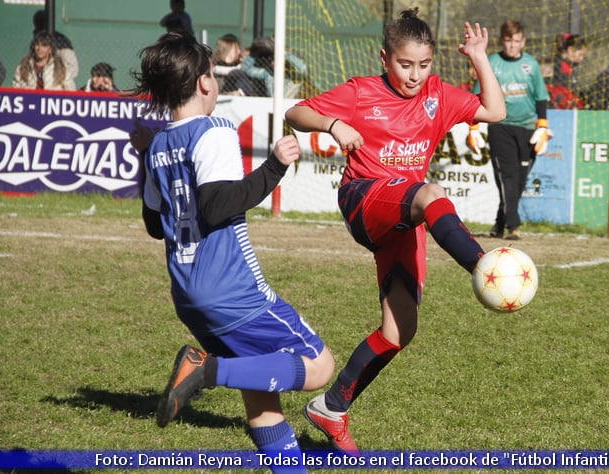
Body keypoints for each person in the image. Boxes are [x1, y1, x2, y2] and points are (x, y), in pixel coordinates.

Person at [284, 8, 505, 454]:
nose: (414, 75)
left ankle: (331, 407)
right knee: (430, 192)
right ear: (385, 57)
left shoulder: (438, 95)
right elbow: (294, 112)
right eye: (405, 64)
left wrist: (480, 57)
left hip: (404, 217)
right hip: (364, 199)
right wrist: (333, 123)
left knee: (399, 331)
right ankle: (483, 264)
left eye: (424, 66)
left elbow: (494, 110)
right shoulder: (360, 92)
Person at [128, 32, 334, 473]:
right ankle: (206, 371)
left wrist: (144, 160)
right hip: (231, 290)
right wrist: (275, 166)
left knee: (262, 396)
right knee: (319, 367)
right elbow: (217, 204)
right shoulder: (214, 130)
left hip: (187, 293)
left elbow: (151, 225)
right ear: (206, 83)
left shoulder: (158, 146)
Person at [474, 20, 550, 240]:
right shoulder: (492, 62)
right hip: (500, 126)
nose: (512, 45)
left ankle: (500, 222)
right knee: (506, 176)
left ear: (523, 42)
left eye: (516, 41)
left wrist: (542, 126)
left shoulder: (531, 65)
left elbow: (541, 96)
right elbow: (477, 94)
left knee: (519, 179)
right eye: (508, 41)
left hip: (527, 129)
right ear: (501, 42)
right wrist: (474, 127)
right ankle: (513, 226)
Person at [241, 35, 308, 98]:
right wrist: (254, 53)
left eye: (277, 58)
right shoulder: (269, 73)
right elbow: (246, 69)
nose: (274, 62)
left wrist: (284, 53)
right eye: (272, 58)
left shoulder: (294, 74)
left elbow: (303, 69)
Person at [32, 9, 79, 83]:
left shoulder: (61, 41)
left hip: (57, 84)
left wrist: (56, 79)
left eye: (42, 22)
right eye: (38, 22)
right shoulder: (36, 38)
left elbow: (73, 69)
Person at [547, 32, 587, 109]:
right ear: (570, 50)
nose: (582, 58)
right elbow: (558, 89)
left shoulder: (568, 66)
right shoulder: (560, 66)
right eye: (580, 55)